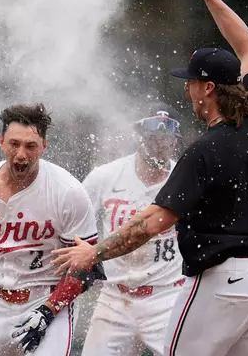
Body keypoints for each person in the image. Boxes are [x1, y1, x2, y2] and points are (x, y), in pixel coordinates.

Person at [52, 0, 248, 355]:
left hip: (222, 283)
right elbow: (247, 46)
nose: (188, 89)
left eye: (191, 81)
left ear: (208, 89)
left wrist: (94, 252)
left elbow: (153, 221)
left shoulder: (203, 150)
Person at [0, 103, 104, 356]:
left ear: (44, 146)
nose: (21, 154)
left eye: (30, 145)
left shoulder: (67, 191)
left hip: (45, 299)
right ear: (1, 142)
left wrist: (49, 310)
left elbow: (87, 265)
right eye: (14, 144)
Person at [80, 109, 184, 356]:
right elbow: (75, 223)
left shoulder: (185, 176)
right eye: (152, 137)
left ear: (174, 140)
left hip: (168, 295)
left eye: (166, 138)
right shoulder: (105, 176)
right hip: (115, 297)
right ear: (138, 136)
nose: (160, 144)